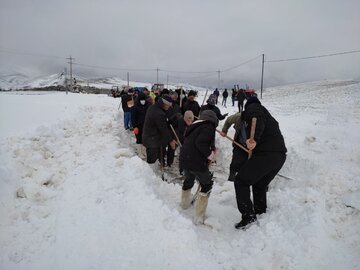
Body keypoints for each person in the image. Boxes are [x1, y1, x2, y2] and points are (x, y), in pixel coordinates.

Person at [232, 96, 287, 229]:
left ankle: (248, 216)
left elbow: (258, 119)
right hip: (279, 156)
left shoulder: (254, 109)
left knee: (240, 181)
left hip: (266, 155)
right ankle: (260, 211)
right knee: (259, 183)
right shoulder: (269, 117)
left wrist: (254, 139)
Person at [179, 110, 218, 225]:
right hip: (196, 161)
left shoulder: (194, 126)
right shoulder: (208, 127)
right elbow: (200, 143)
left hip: (185, 159)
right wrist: (210, 155)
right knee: (207, 184)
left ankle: (184, 203)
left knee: (189, 178)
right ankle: (199, 215)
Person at [142, 95, 177, 165]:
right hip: (152, 140)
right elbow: (163, 129)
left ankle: (151, 172)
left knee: (153, 159)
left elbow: (160, 123)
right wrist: (170, 141)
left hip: (150, 137)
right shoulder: (159, 113)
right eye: (168, 105)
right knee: (152, 161)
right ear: (164, 103)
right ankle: (149, 174)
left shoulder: (153, 107)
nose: (169, 107)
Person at [131, 92, 150, 159]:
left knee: (145, 139)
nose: (143, 101)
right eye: (141, 100)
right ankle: (140, 152)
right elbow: (133, 118)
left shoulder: (148, 105)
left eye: (144, 99)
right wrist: (134, 127)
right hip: (138, 126)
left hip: (146, 126)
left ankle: (144, 151)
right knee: (139, 139)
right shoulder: (135, 107)